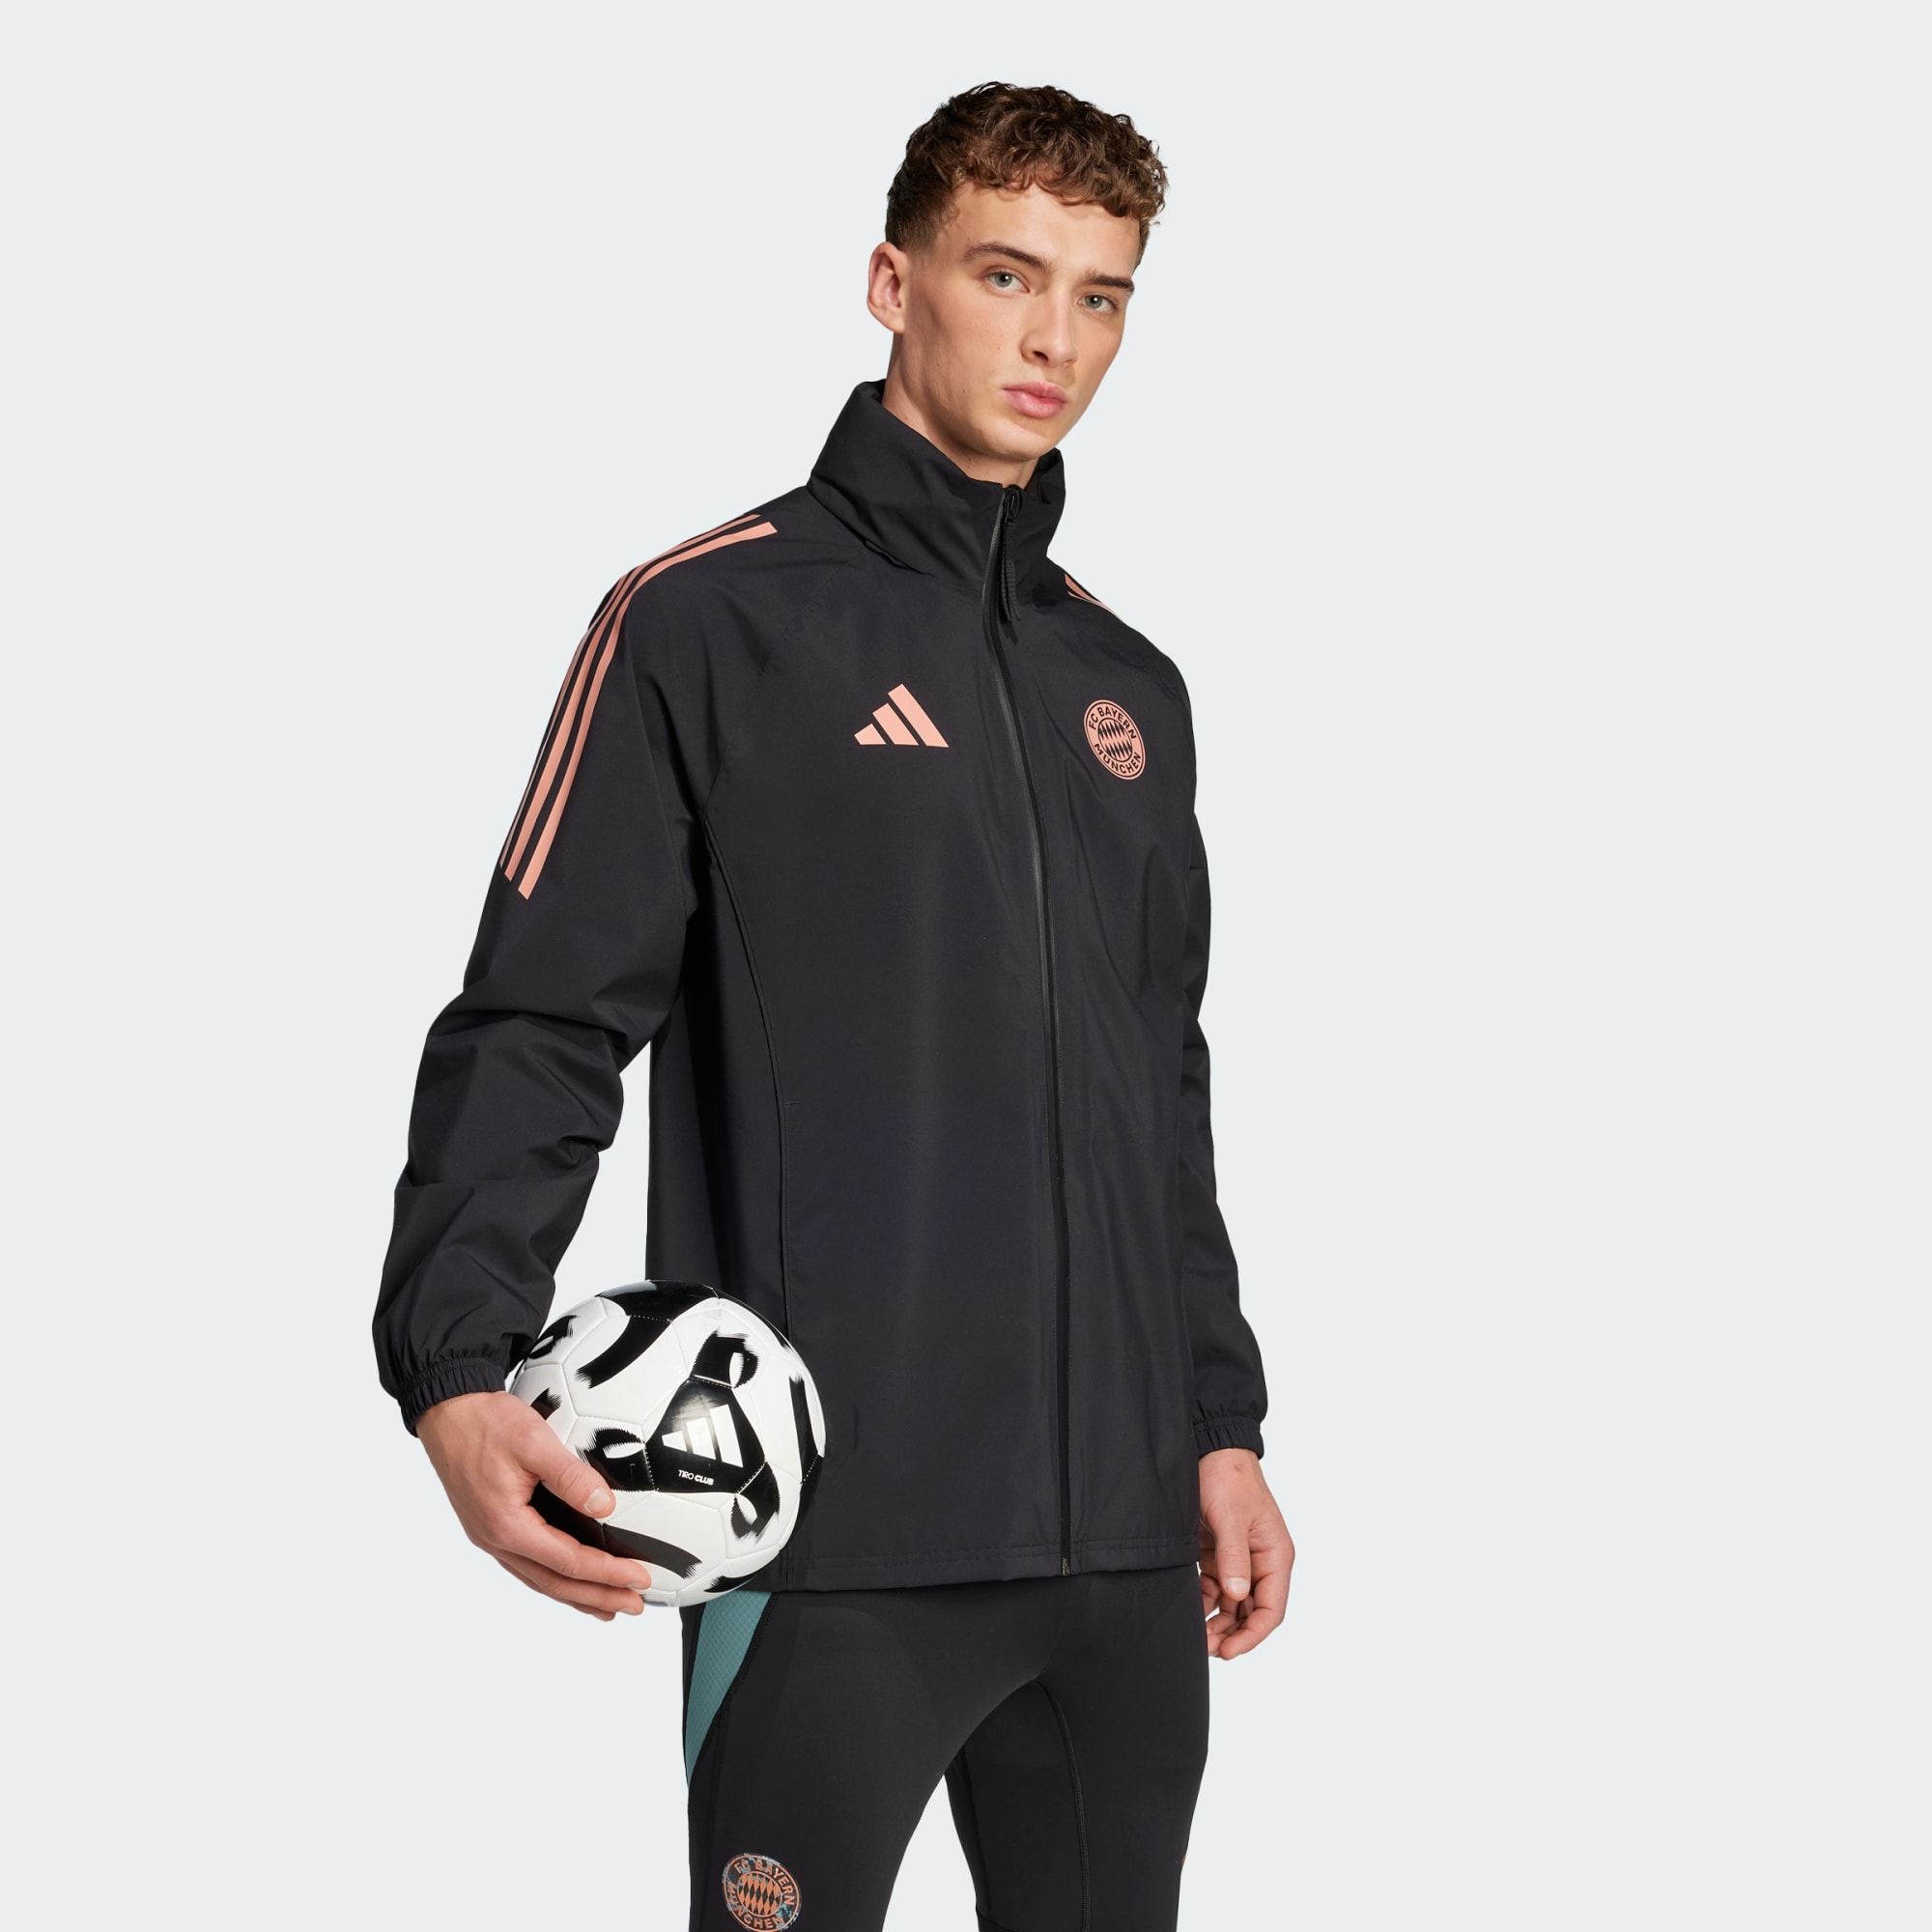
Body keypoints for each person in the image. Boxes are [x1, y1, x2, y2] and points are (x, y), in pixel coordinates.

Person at [374, 80, 1293, 1932]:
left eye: (1101, 295)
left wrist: (1218, 1421)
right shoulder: (705, 625)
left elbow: (1158, 1091)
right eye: (1006, 274)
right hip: (824, 1544)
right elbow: (540, 1022)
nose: (1054, 339)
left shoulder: (1130, 686)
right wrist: (454, 1367)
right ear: (893, 282)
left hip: (1125, 1561)